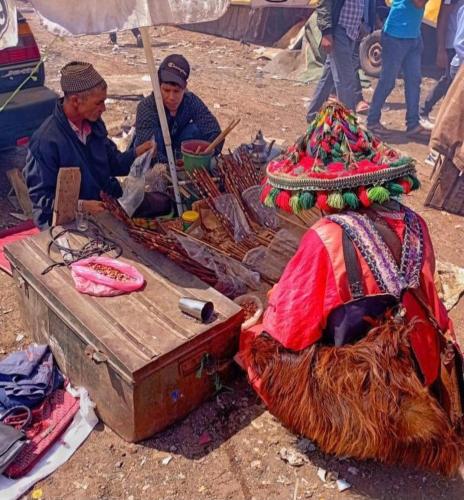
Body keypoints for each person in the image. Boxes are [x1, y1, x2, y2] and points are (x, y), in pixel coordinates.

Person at [241, 101, 464, 476]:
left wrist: (266, 311)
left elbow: (291, 330)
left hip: (363, 389)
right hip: (417, 365)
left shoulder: (327, 237)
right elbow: (432, 306)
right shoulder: (415, 223)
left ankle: (356, 430)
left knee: (258, 345)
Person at [24, 61, 154, 230]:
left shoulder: (94, 124)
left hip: (103, 203)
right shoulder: (46, 142)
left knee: (161, 204)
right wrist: (81, 206)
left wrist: (137, 153)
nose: (104, 108)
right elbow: (40, 197)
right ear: (76, 100)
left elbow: (113, 163)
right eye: (99, 103)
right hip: (65, 222)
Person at [135, 54, 222, 164]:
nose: (171, 97)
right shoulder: (146, 107)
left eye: (176, 91)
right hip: (155, 160)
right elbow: (148, 151)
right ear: (158, 86)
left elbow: (214, 132)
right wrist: (170, 167)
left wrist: (205, 155)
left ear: (184, 87)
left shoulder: (190, 101)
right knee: (153, 140)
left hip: (179, 152)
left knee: (195, 130)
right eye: (166, 90)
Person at [367, 0, 431, 139]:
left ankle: (413, 124)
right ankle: (372, 121)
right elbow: (419, 3)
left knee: (414, 81)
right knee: (387, 82)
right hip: (396, 36)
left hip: (413, 34)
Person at [306, 0, 374, 121]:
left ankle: (312, 115)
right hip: (338, 29)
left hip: (351, 32)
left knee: (329, 77)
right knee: (346, 80)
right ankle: (348, 125)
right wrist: (326, 32)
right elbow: (324, 4)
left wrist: (362, 24)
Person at [420, 0, 463, 125]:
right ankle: (423, 110)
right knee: (448, 81)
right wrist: (441, 48)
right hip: (453, 44)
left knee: (449, 83)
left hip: (456, 44)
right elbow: (443, 16)